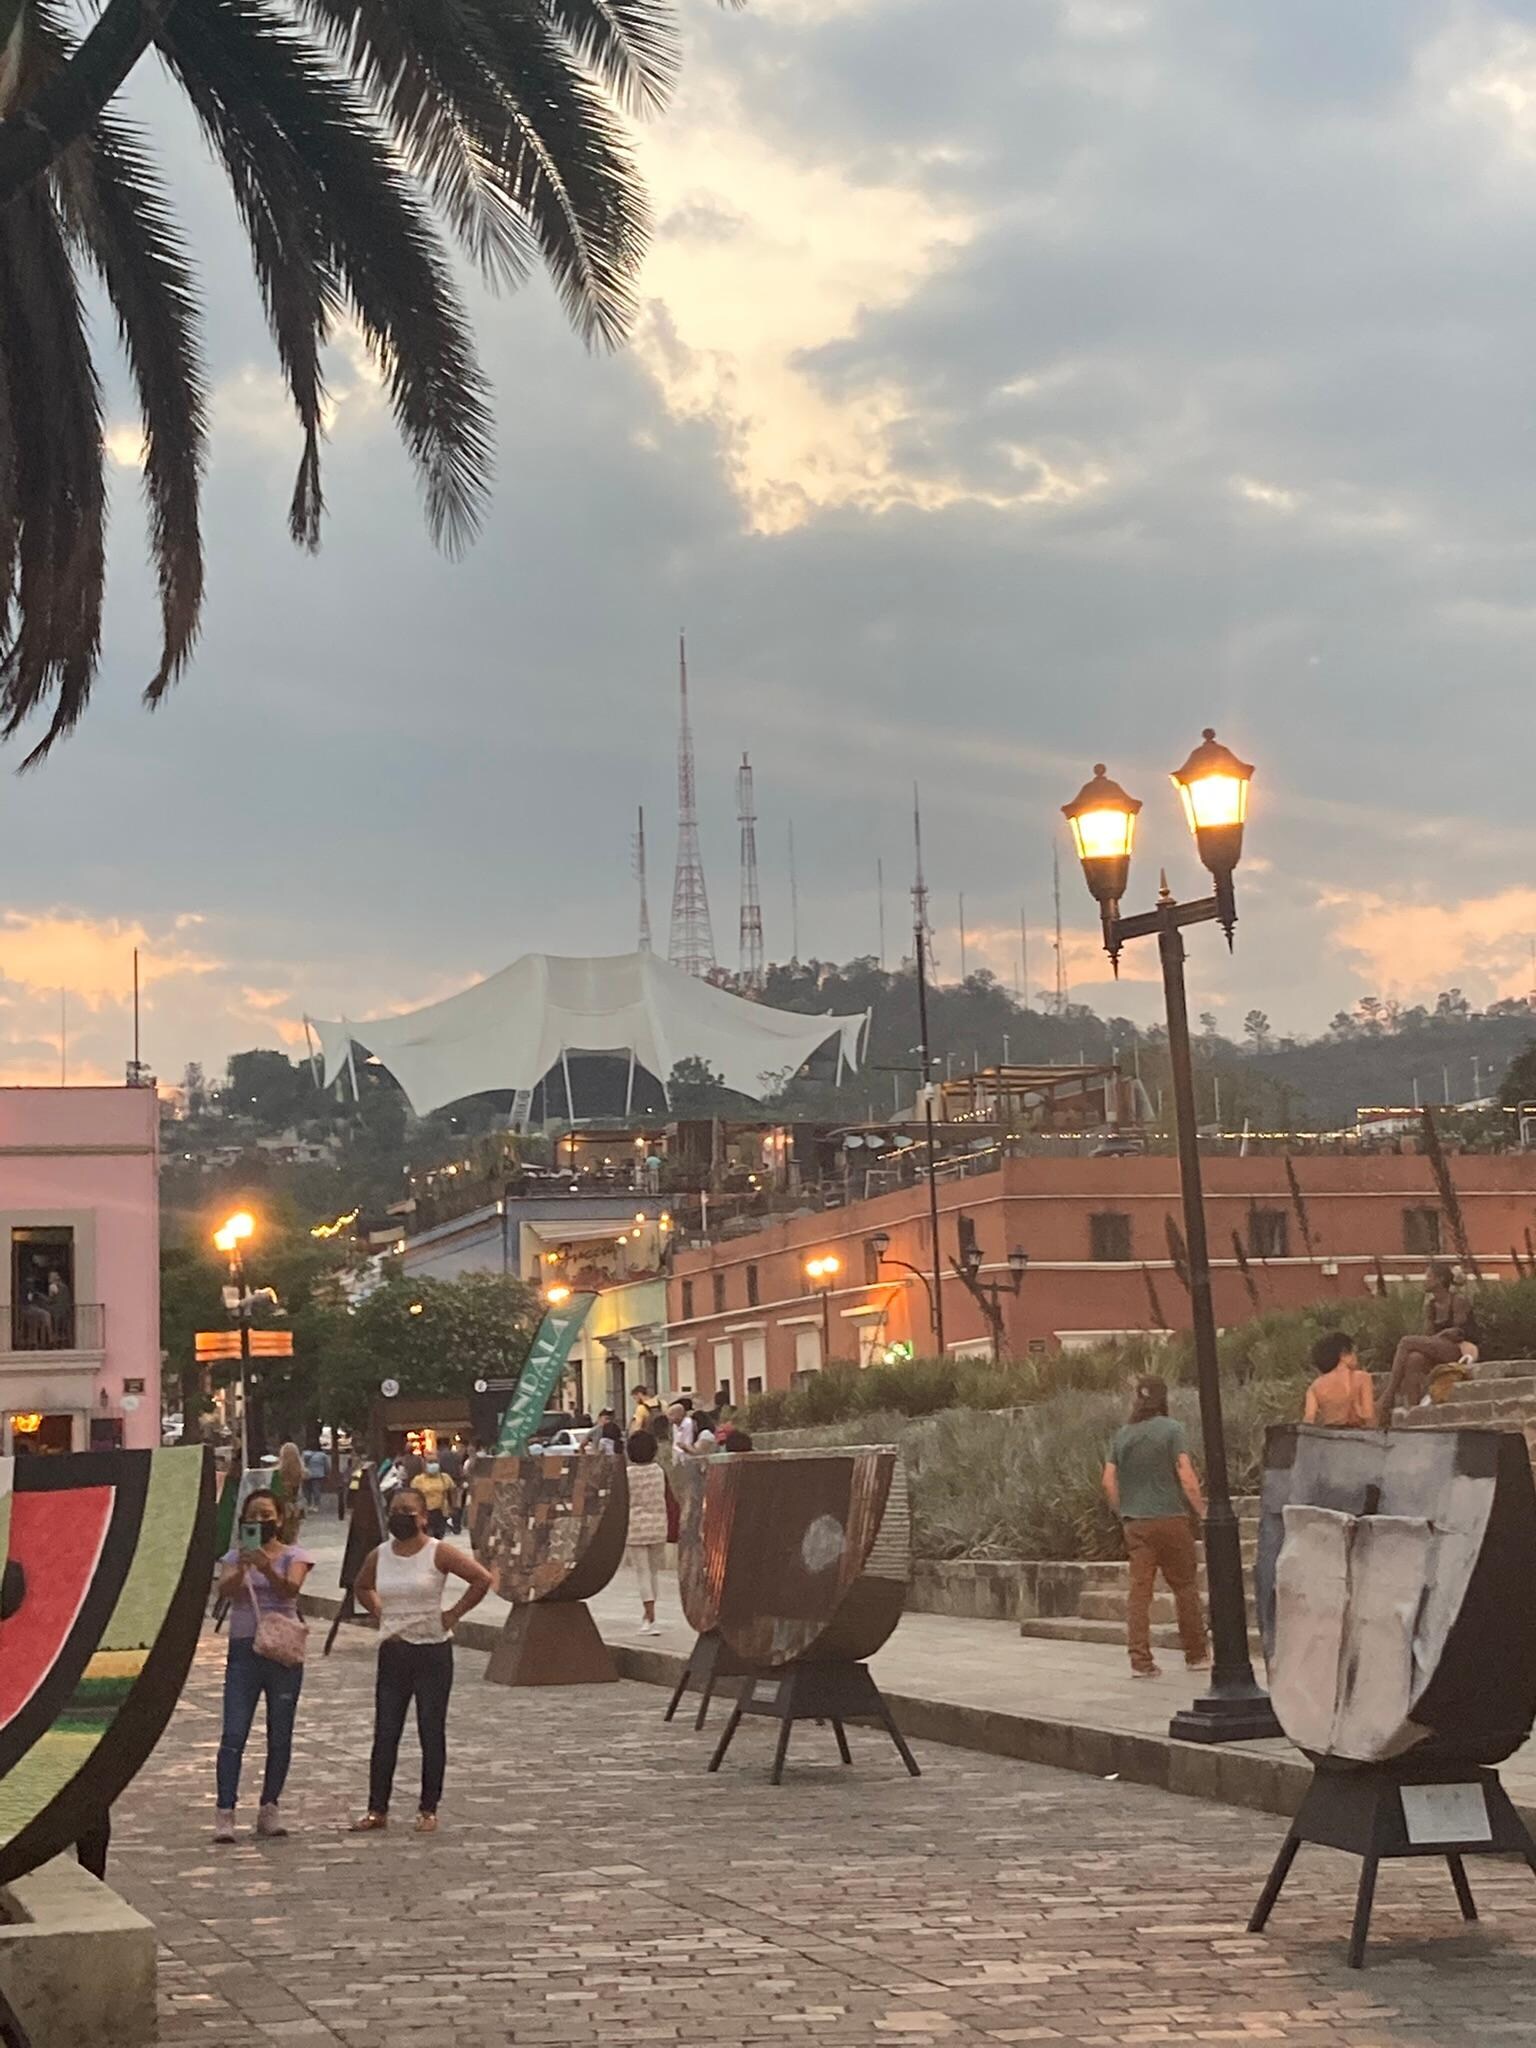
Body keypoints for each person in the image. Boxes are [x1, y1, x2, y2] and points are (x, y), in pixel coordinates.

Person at [350, 1486, 492, 1833]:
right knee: (386, 1731)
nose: (401, 1516)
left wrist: (453, 1614)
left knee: (431, 1728)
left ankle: (429, 1808)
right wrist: (381, 1612)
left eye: (408, 1511)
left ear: (423, 1517)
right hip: (394, 1649)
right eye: (395, 1510)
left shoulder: (437, 1552)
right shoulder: (380, 1555)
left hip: (431, 1650)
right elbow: (361, 1586)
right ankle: (377, 1808)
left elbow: (481, 1578)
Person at [213, 1489, 314, 1841]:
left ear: (280, 1519)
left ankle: (270, 1806)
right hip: (244, 1650)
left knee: (280, 1732)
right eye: (253, 1515)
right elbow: (225, 1591)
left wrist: (266, 1567)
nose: (259, 1521)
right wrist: (243, 1566)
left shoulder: (294, 1555)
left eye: (266, 1515)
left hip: (282, 1653)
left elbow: (290, 1590)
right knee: (234, 1732)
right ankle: (225, 1810)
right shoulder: (234, 1556)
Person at [1102, 1377, 1208, 1680]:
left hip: (1136, 1523)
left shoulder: (1122, 1436)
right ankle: (1196, 1654)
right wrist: (1201, 1510)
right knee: (1185, 1587)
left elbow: (1108, 1481)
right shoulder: (1173, 1430)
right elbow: (1185, 1475)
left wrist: (1122, 1512)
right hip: (1171, 1518)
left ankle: (1140, 1660)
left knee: (1140, 1593)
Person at [1377, 1330, 1479, 1424]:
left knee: (1406, 1341)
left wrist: (1469, 1354)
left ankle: (1389, 1395)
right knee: (1414, 1359)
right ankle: (1414, 1410)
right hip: (1435, 1345)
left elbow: (1464, 1333)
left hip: (1454, 1345)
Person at [624, 1431, 668, 1634]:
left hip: (635, 1526)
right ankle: (650, 1615)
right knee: (653, 1572)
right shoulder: (659, 1471)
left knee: (642, 1572)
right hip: (658, 1525)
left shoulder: (627, 1474)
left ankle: (649, 1616)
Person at [1302, 1332, 1374, 1429]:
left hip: (1330, 1434)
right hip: (1356, 1433)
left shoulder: (1315, 1386)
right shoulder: (1362, 1378)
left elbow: (1309, 1420)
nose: (1356, 1357)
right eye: (1354, 1352)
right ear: (1343, 1354)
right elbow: (1368, 1417)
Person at [414, 1456, 456, 1537]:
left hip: (441, 1512)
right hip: (426, 1512)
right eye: (430, 1462)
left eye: (435, 1462)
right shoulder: (418, 1480)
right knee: (428, 1536)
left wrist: (453, 1507)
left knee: (439, 1536)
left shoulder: (445, 1478)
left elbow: (452, 1492)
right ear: (424, 1464)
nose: (433, 1465)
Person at [274, 1442, 307, 1541]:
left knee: (281, 1534)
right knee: (293, 1534)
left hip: (282, 1505)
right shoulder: (301, 1472)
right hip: (296, 1505)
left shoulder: (277, 1473)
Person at [302, 1445, 329, 1510]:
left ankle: (308, 1504)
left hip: (307, 1475)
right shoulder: (323, 1455)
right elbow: (326, 1466)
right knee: (316, 1490)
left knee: (307, 1490)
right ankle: (316, 1505)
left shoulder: (304, 1454)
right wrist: (326, 1473)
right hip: (318, 1475)